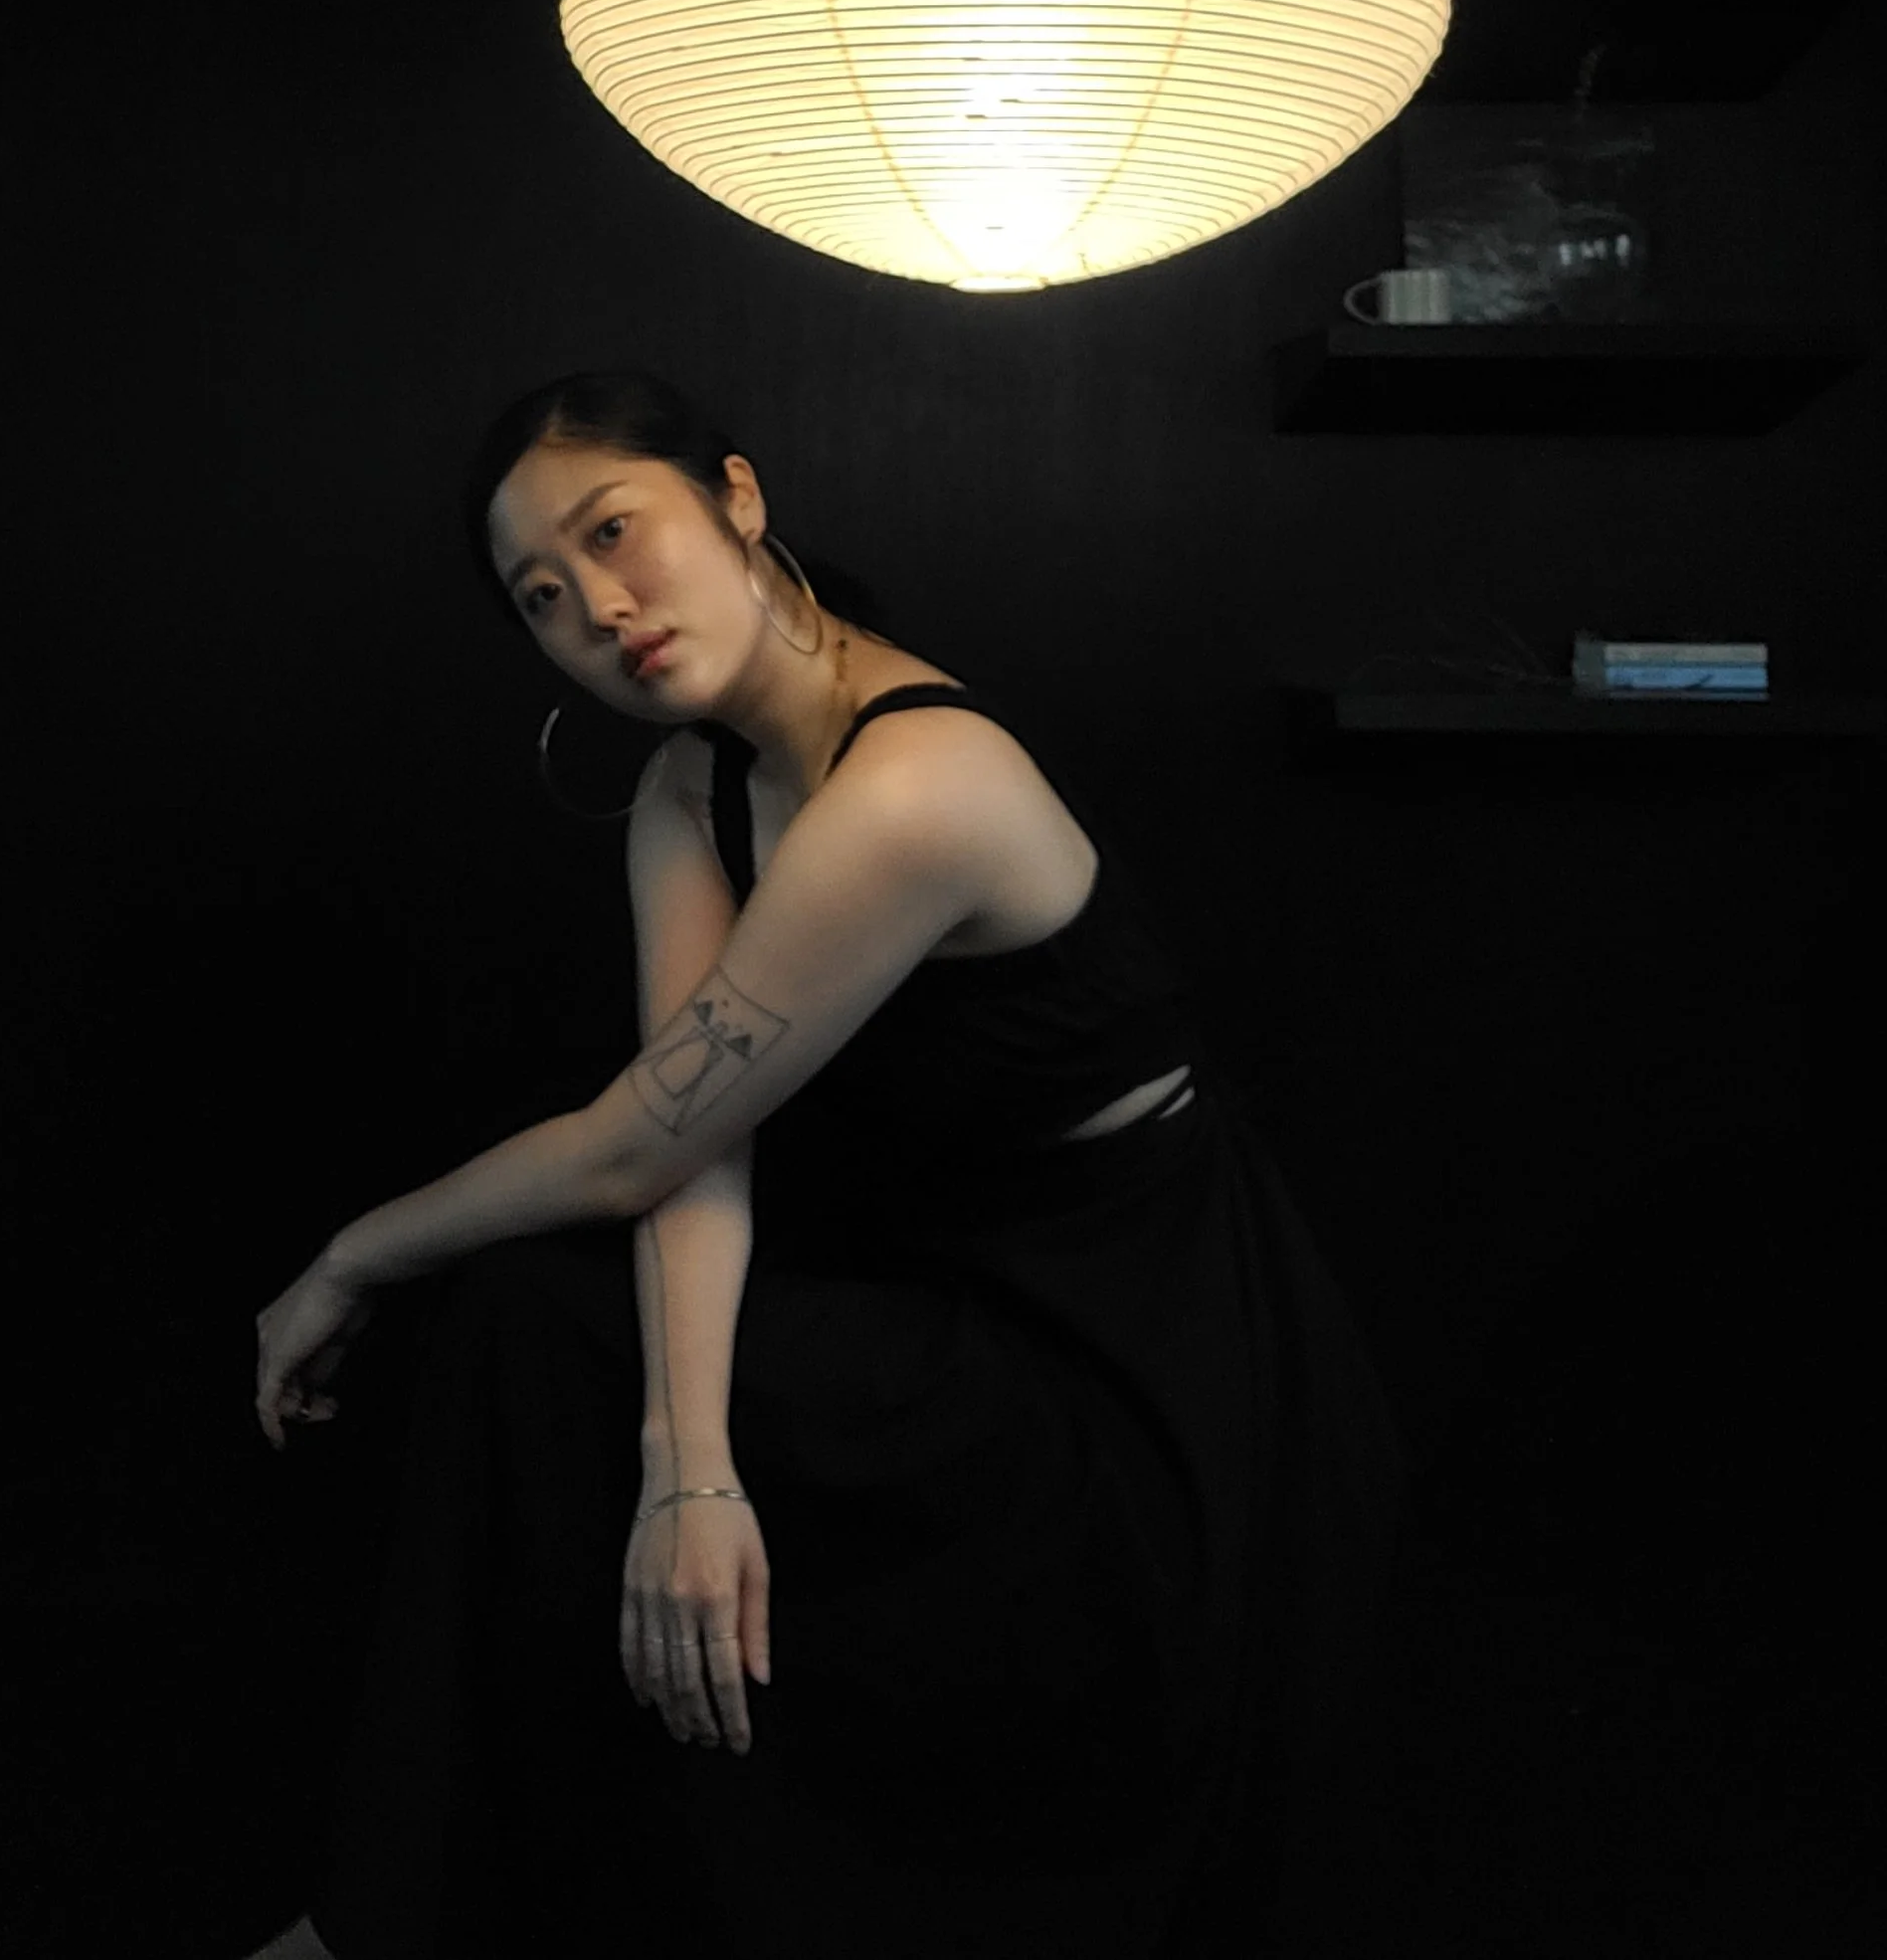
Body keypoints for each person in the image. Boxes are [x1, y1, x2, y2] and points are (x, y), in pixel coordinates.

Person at [249, 369, 1408, 1960]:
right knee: (538, 1335)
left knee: (539, 1322)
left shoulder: (916, 787)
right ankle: (416, 1907)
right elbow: (685, 1148)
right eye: (543, 595)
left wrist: (351, 1255)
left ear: (736, 498)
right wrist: (686, 1461)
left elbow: (621, 1148)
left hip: (1136, 1356)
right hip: (929, 1274)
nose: (600, 607)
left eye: (616, 532)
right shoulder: (687, 787)